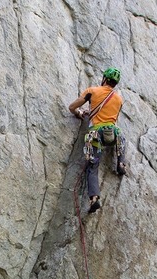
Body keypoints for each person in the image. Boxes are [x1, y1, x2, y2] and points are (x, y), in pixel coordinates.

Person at [68, 67, 126, 213]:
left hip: (96, 134)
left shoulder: (92, 91)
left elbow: (72, 107)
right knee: (120, 135)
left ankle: (94, 198)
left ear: (104, 79)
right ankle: (121, 162)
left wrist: (80, 112)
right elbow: (111, 117)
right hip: (112, 133)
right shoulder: (119, 99)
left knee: (92, 166)